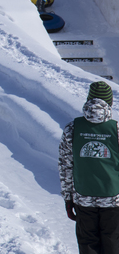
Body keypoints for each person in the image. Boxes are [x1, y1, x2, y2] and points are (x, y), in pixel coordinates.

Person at [59, 81, 119, 253]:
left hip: (83, 197)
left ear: (88, 100)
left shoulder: (72, 128)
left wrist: (68, 198)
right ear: (109, 103)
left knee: (87, 244)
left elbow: (65, 166)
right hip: (113, 198)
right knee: (113, 244)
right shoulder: (116, 129)